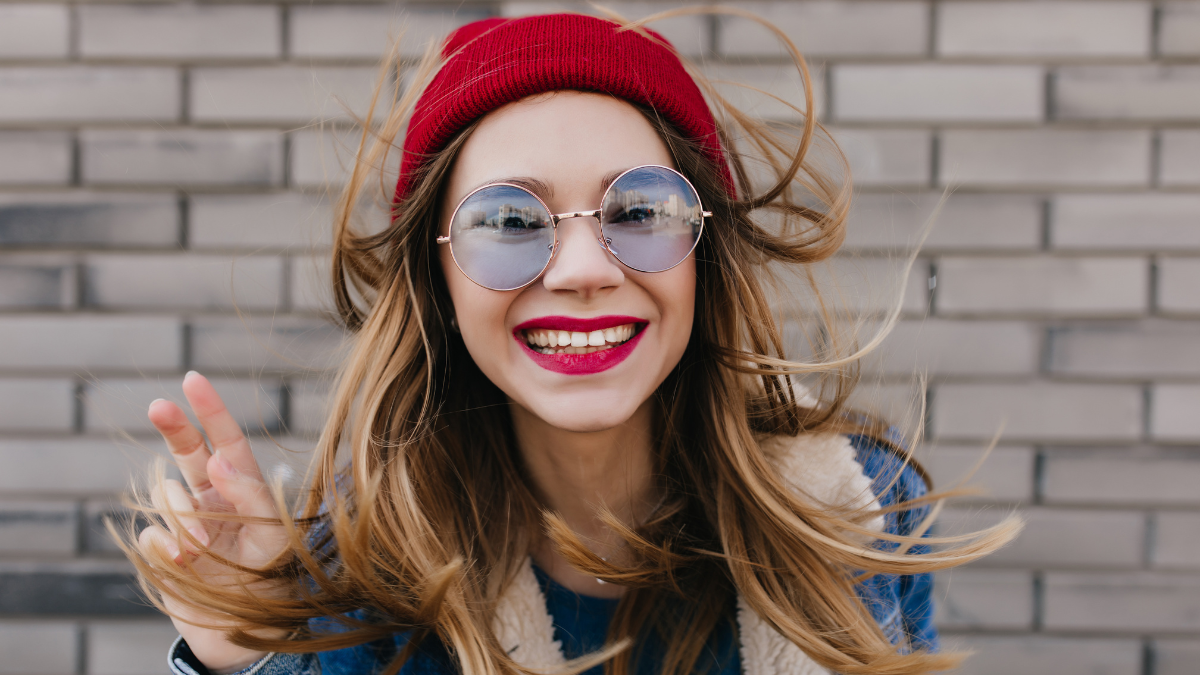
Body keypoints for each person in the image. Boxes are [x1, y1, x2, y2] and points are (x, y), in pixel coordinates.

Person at [127, 10, 1017, 675]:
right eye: (510, 219)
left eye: (639, 209)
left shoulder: (860, 508)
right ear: (438, 278)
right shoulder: (358, 575)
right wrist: (239, 655)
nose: (584, 266)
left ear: (704, 253)